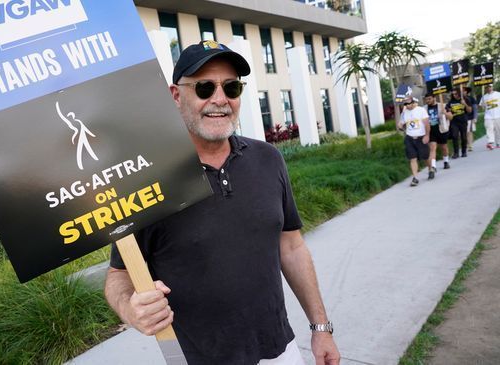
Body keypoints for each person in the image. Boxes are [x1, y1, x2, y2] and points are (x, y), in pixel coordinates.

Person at [104, 41, 340, 365]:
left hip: (281, 351)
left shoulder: (268, 159)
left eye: (231, 87)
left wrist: (321, 327)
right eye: (204, 87)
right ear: (176, 96)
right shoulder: (149, 182)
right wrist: (130, 308)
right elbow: (118, 274)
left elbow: (292, 248)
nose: (220, 99)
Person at [398, 96, 430, 186]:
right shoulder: (404, 113)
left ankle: (430, 168)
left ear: (413, 102)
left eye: (409, 103)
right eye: (406, 104)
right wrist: (400, 126)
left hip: (421, 137)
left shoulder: (421, 110)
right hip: (410, 138)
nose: (407, 105)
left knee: (425, 157)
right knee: (413, 158)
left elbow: (427, 124)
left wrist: (427, 135)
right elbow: (401, 124)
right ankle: (415, 178)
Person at [424, 93, 451, 175]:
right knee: (432, 148)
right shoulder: (424, 109)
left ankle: (446, 161)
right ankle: (433, 166)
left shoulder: (443, 105)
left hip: (442, 129)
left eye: (429, 99)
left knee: (444, 147)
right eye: (426, 99)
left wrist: (445, 113)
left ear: (434, 98)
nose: (428, 101)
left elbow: (451, 117)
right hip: (431, 131)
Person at [445, 88, 472, 158]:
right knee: (454, 136)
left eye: (456, 94)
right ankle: (456, 153)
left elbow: (469, 111)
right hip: (454, 121)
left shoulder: (465, 100)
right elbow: (447, 110)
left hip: (463, 121)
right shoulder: (450, 102)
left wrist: (465, 104)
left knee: (463, 136)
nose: (454, 95)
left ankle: (464, 151)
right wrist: (448, 111)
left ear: (459, 93)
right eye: (453, 94)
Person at [479, 84, 500, 149]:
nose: (488, 88)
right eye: (487, 87)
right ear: (485, 88)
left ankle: (498, 143)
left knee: (498, 130)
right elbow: (480, 106)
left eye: (490, 87)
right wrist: (482, 105)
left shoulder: (498, 94)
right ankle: (490, 142)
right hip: (488, 116)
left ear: (492, 87)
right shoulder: (484, 97)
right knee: (489, 129)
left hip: (498, 115)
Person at [462, 87, 478, 152]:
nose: (463, 92)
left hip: (469, 118)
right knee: (463, 133)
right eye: (462, 91)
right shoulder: (458, 99)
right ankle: (465, 144)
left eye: (464, 91)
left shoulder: (471, 98)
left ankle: (470, 145)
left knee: (469, 132)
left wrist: (475, 117)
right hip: (461, 118)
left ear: (467, 91)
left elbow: (475, 108)